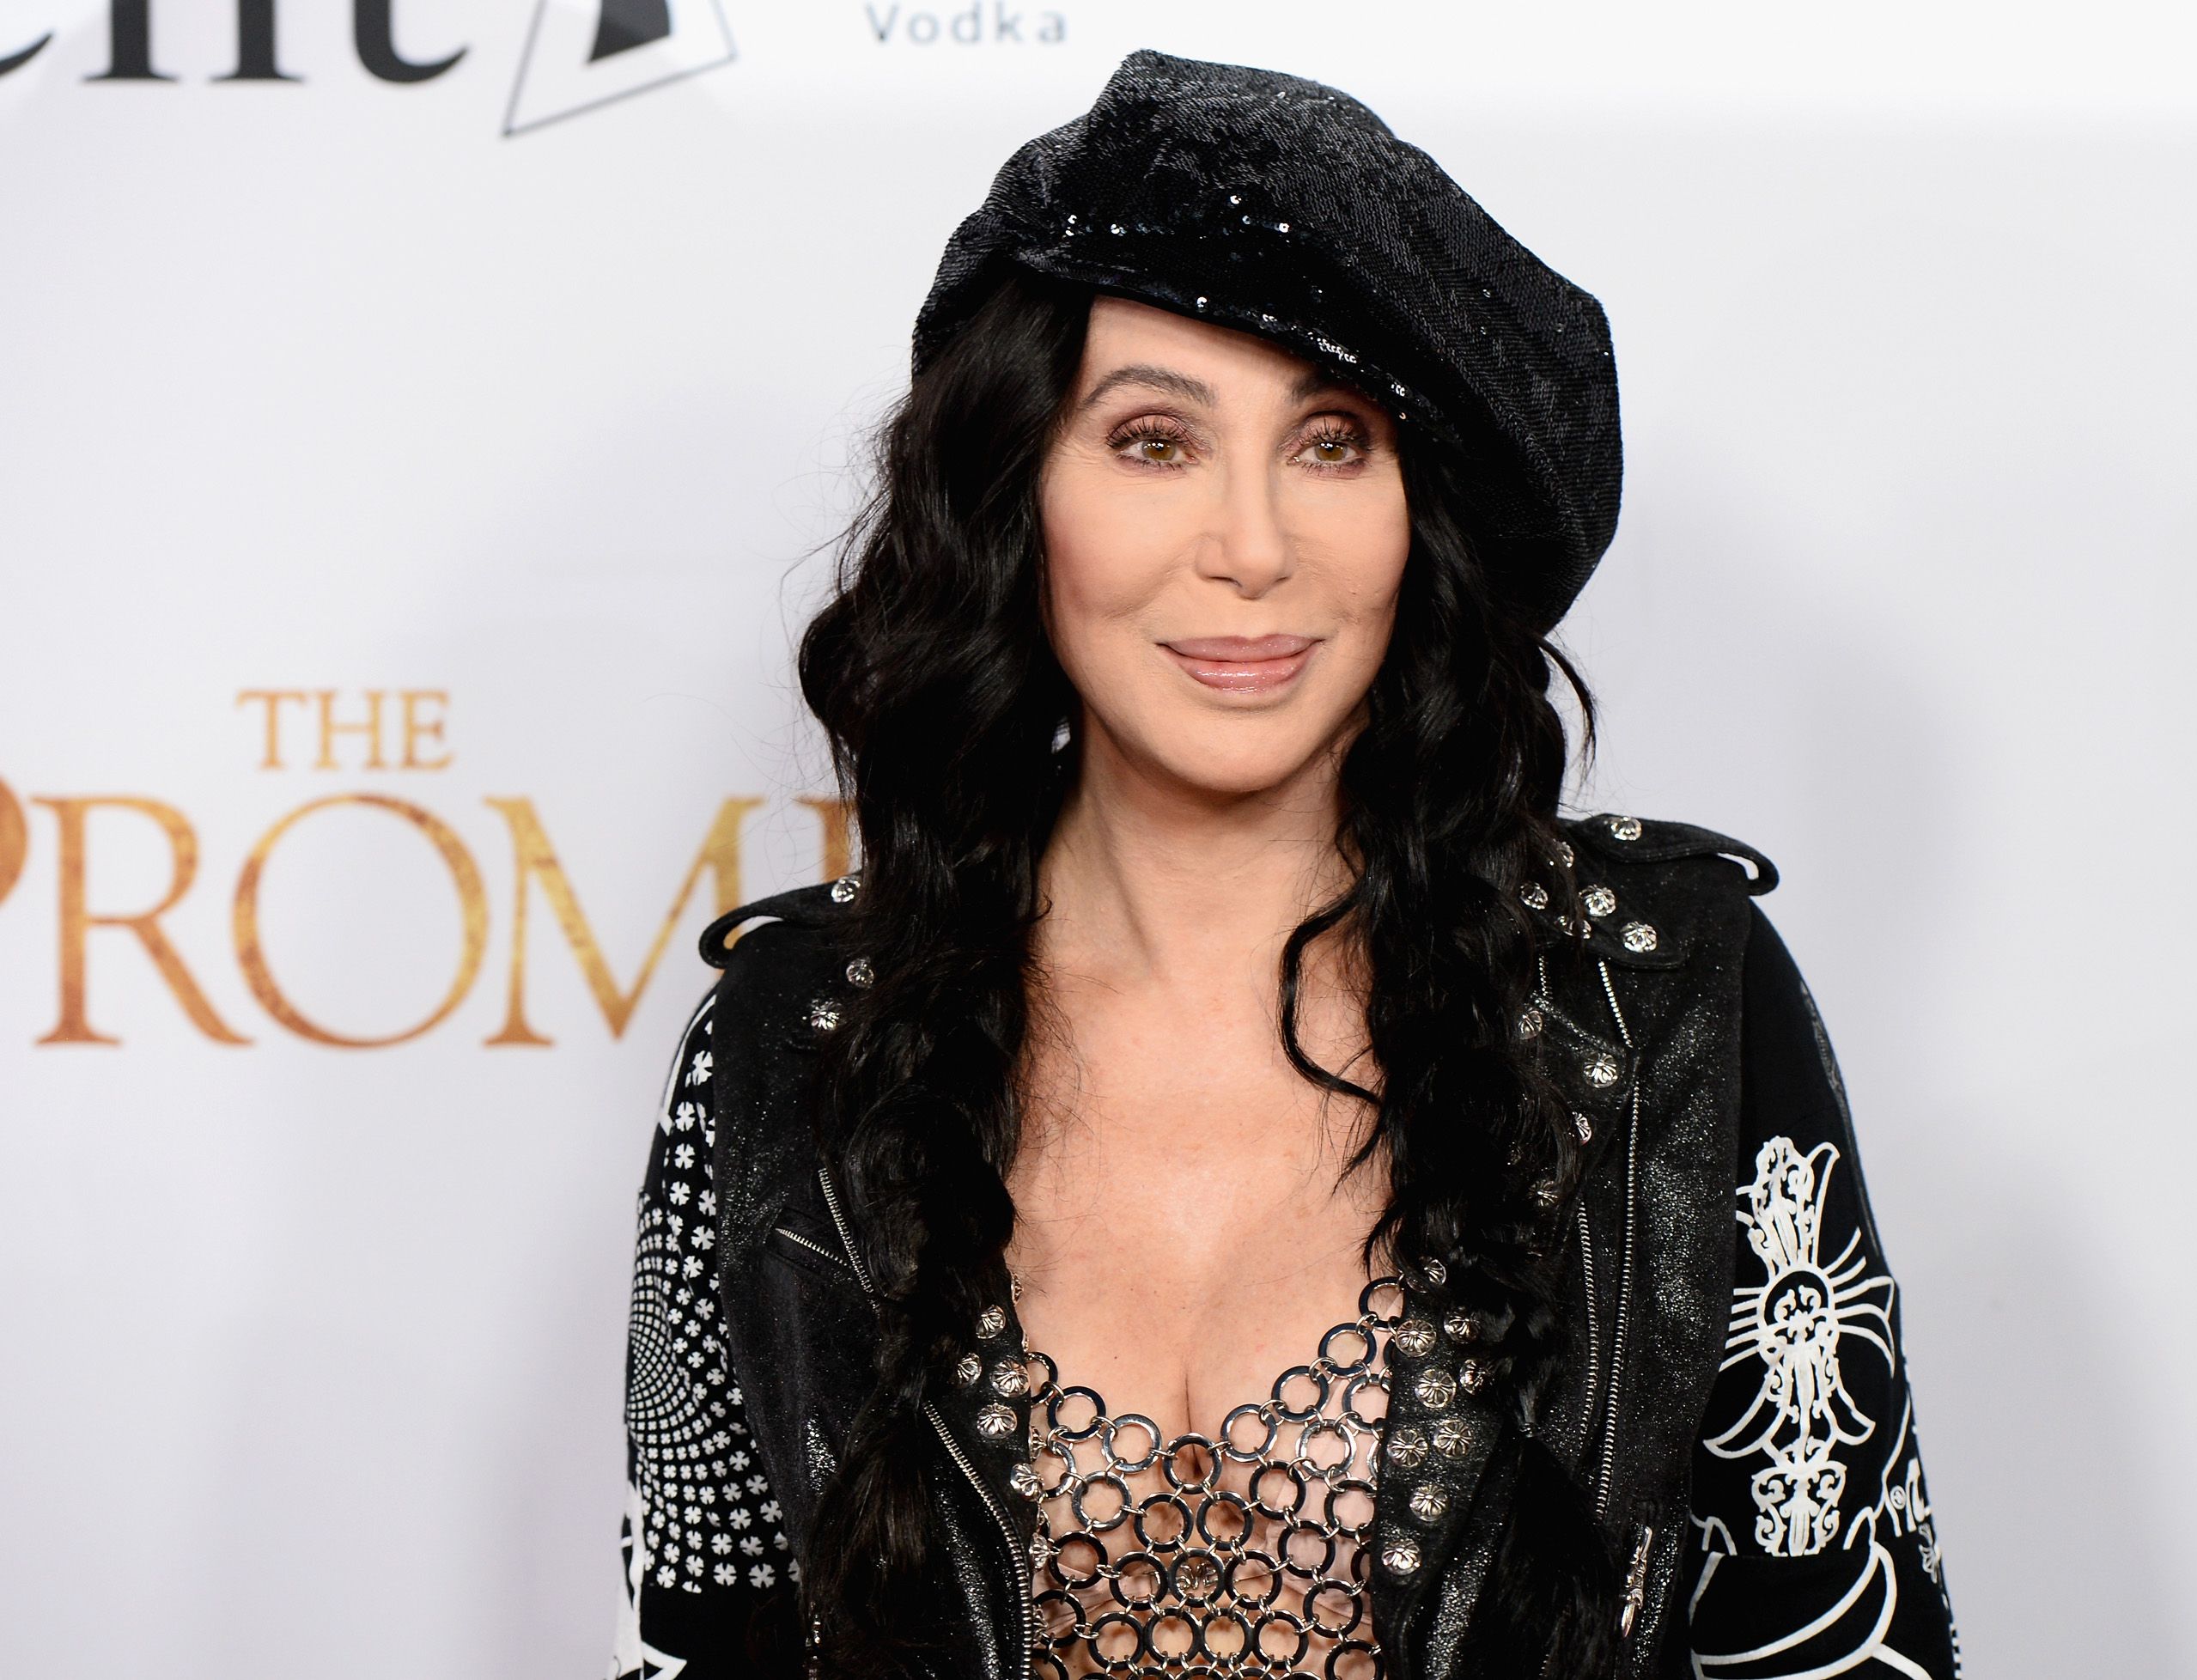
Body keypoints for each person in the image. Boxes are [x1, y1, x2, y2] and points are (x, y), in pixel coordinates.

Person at [611, 48, 1957, 1680]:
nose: (1252, 547)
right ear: (1015, 492)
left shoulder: (1663, 997)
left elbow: (1847, 1644)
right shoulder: (798, 1035)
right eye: (1154, 441)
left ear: (1421, 514)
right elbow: (702, 1650)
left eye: (1332, 444)